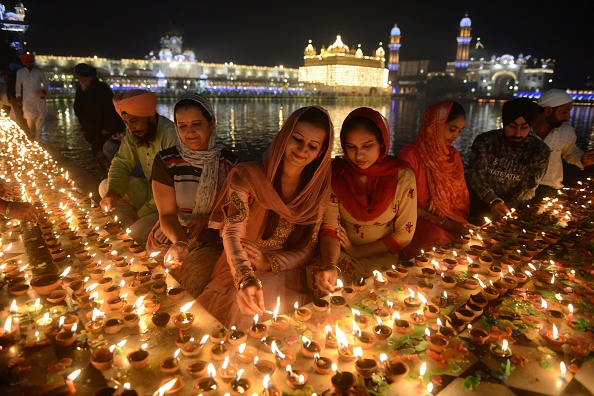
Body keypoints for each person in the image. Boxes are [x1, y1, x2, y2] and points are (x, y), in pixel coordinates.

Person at [198, 106, 333, 328]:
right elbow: (232, 232)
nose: (302, 149)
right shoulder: (247, 178)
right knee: (249, 315)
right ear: (283, 137)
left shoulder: (317, 191)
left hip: (286, 268)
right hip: (242, 263)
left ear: (320, 153)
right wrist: (245, 277)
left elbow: (307, 249)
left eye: (312, 146)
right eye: (296, 139)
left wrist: (270, 263)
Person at [313, 107, 417, 295]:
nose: (359, 155)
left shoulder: (402, 176)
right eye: (351, 147)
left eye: (367, 146)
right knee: (329, 285)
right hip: (339, 254)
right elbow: (330, 227)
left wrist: (358, 252)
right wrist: (330, 264)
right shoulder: (337, 174)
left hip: (382, 256)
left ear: (382, 143)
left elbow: (404, 234)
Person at [148, 93, 239, 297]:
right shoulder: (166, 161)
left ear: (211, 123)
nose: (189, 132)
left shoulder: (229, 163)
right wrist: (180, 243)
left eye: (197, 124)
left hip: (215, 236)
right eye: (182, 126)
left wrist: (207, 220)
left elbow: (236, 211)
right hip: (175, 233)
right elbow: (167, 214)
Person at [398, 101, 476, 259]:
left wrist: (457, 224)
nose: (455, 136)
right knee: (437, 241)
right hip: (415, 222)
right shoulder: (411, 156)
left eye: (460, 131)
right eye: (452, 129)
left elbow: (460, 204)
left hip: (450, 222)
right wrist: (444, 223)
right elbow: (402, 207)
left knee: (475, 241)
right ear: (434, 126)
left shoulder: (453, 157)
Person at [99, 89, 177, 245]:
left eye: (134, 120)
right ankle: (133, 223)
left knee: (135, 235)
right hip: (150, 193)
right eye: (126, 122)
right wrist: (113, 192)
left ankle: (137, 225)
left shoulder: (170, 135)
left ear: (148, 115)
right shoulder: (135, 133)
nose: (131, 127)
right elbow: (121, 163)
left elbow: (174, 187)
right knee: (105, 186)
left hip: (170, 204)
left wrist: (142, 213)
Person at [466, 98, 550, 223]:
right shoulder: (486, 141)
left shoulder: (539, 150)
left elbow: (528, 187)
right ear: (504, 123)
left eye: (524, 127)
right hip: (478, 206)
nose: (518, 133)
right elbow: (475, 174)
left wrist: (506, 210)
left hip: (513, 212)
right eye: (512, 126)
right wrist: (493, 200)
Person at [531, 89, 594, 201]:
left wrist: (582, 159)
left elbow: (570, 153)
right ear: (548, 111)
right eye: (565, 112)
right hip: (519, 188)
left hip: (549, 188)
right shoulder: (522, 129)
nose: (568, 117)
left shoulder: (565, 131)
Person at [73, 63, 126, 178]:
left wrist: (106, 129)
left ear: (89, 77)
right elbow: (79, 111)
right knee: (99, 154)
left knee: (110, 154)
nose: (79, 79)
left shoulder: (102, 90)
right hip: (93, 133)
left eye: (81, 77)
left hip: (107, 132)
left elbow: (112, 112)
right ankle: (108, 178)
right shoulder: (82, 90)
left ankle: (117, 180)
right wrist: (83, 128)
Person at [15, 53, 48, 141]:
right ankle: (31, 138)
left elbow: (45, 82)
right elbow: (18, 85)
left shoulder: (39, 72)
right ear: (24, 62)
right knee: (29, 120)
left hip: (39, 98)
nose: (28, 63)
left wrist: (44, 90)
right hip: (27, 99)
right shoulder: (20, 72)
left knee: (40, 119)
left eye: (30, 61)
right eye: (27, 61)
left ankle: (38, 140)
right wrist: (18, 96)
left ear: (32, 62)